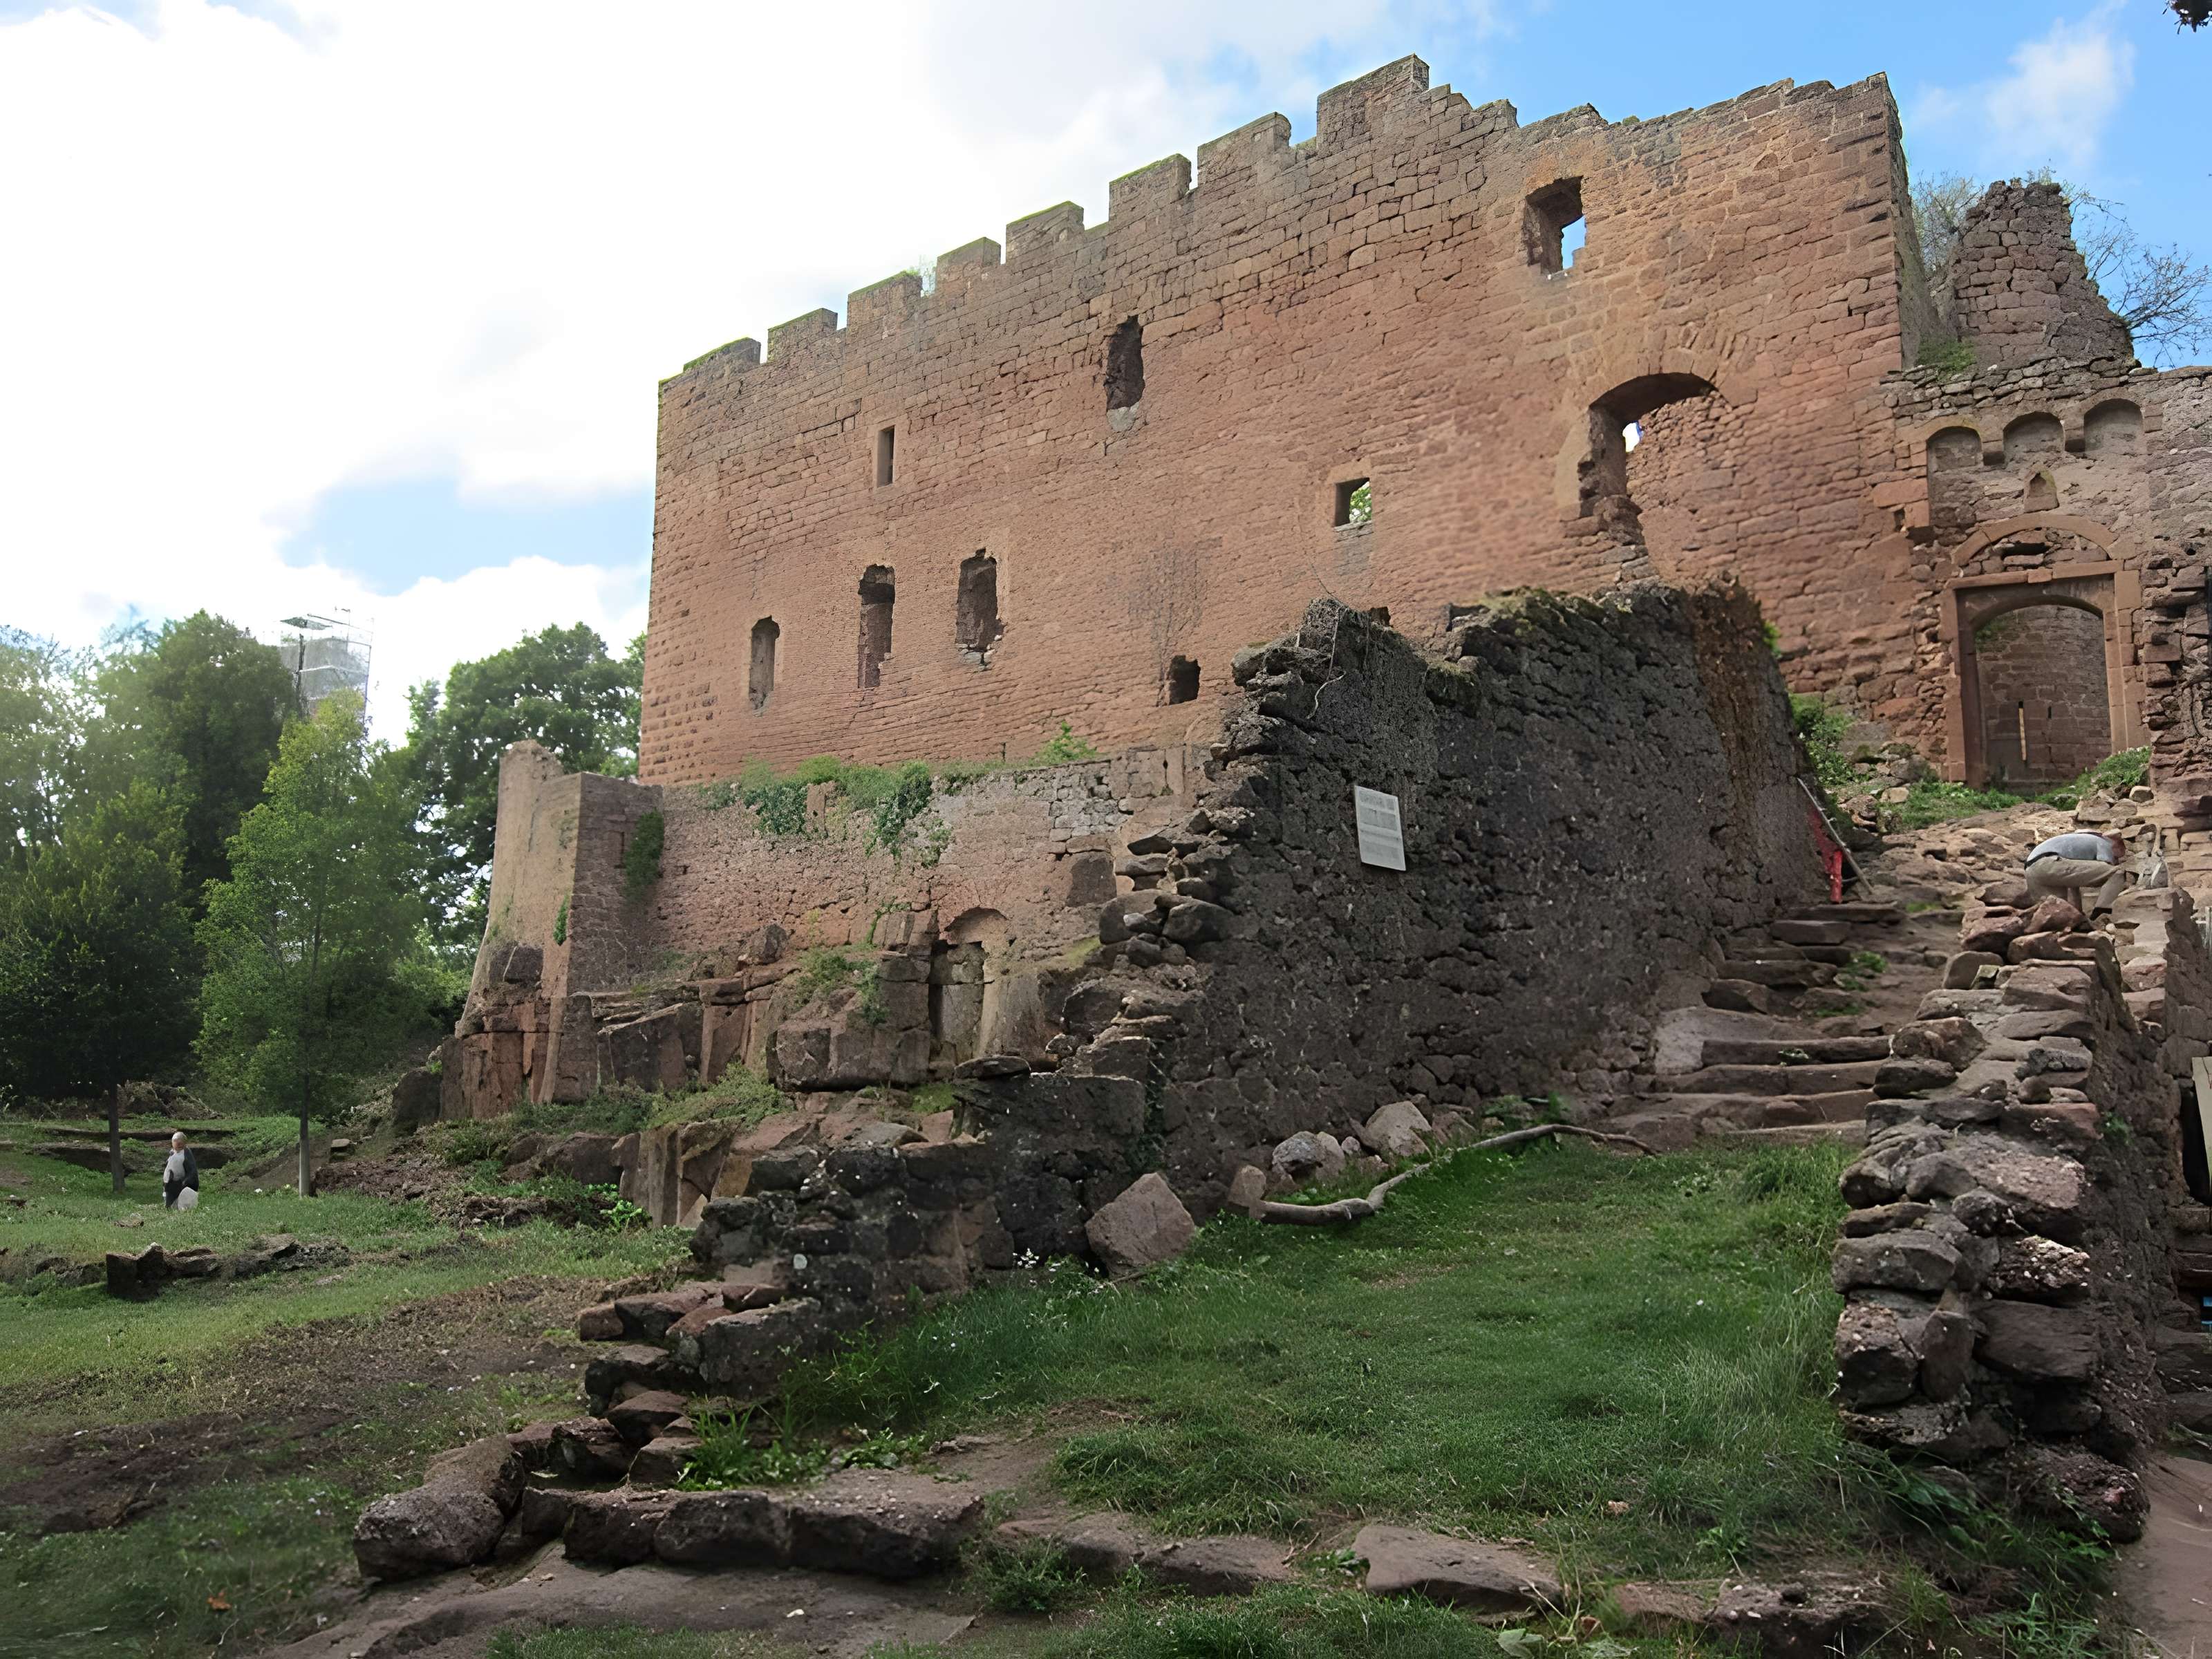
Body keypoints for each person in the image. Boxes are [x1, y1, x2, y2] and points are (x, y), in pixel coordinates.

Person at [2024, 830, 2130, 917]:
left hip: (2031, 870)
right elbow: (2108, 868)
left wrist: (2079, 914)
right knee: (2117, 872)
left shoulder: (2078, 841)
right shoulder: (2106, 843)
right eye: (2117, 857)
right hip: (2050, 863)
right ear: (2117, 847)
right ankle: (2104, 909)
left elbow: (2074, 882)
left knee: (2057, 915)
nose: (2117, 860)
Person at [162, 1131, 200, 1210]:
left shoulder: (186, 1153)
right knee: (170, 1205)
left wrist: (185, 1182)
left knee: (185, 1195)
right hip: (171, 1185)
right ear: (172, 1142)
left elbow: (192, 1172)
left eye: (181, 1141)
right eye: (176, 1141)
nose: (179, 1143)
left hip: (183, 1185)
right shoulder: (172, 1153)